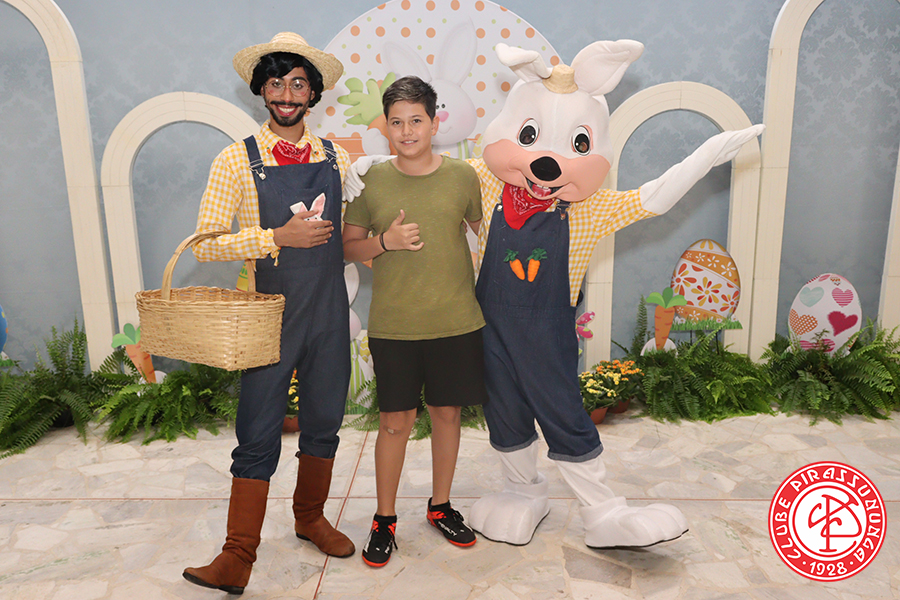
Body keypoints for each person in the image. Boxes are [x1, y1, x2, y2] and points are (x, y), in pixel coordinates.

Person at [182, 32, 360, 595]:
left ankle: (310, 518)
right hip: (269, 315)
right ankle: (237, 555)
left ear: (313, 93)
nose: (286, 94)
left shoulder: (336, 157)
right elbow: (206, 244)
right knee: (258, 431)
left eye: (298, 84)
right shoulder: (236, 159)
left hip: (329, 311)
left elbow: (349, 233)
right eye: (277, 83)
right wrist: (274, 237)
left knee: (325, 420)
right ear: (261, 89)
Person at [342, 76, 488, 568]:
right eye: (397, 122)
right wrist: (386, 242)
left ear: (434, 122)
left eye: (416, 120)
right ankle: (384, 519)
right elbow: (347, 247)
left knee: (447, 415)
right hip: (394, 325)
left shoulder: (463, 177)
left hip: (456, 321)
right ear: (386, 126)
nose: (407, 131)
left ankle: (440, 506)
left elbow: (485, 233)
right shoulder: (370, 181)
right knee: (395, 422)